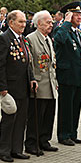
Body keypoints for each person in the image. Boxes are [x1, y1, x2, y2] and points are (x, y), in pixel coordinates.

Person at [0, 10, 36, 163]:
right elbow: (1, 65)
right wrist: (3, 88)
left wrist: (32, 79)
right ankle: (4, 150)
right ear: (11, 22)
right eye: (20, 22)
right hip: (11, 87)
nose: (24, 25)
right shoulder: (4, 39)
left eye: (25, 22)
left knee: (21, 119)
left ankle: (16, 149)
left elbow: (28, 62)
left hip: (24, 87)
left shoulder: (23, 40)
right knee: (9, 119)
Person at [25, 10, 58, 154]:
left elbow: (52, 62)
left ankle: (44, 140)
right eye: (48, 22)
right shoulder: (31, 39)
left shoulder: (48, 39)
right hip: (38, 84)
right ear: (39, 24)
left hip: (50, 84)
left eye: (51, 22)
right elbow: (30, 63)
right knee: (36, 116)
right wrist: (32, 79)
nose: (51, 25)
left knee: (48, 115)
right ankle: (32, 143)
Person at [53, 3, 81, 146]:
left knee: (75, 105)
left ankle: (73, 132)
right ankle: (63, 134)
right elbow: (59, 40)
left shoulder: (77, 32)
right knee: (66, 107)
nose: (79, 17)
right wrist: (65, 23)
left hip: (77, 75)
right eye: (76, 15)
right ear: (68, 15)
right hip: (66, 76)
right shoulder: (62, 29)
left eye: (80, 15)